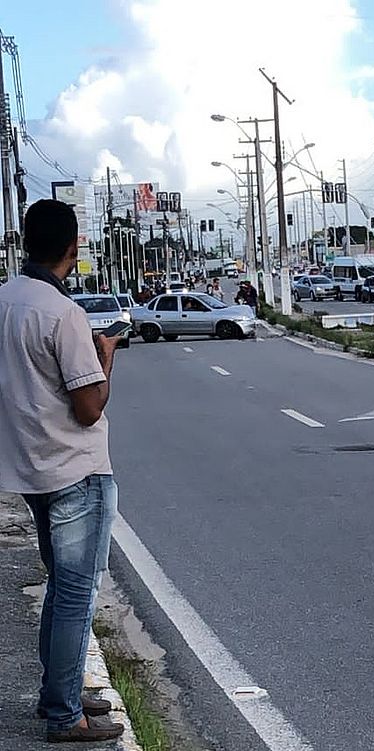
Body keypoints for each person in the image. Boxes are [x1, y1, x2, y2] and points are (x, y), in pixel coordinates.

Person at [0, 200, 124, 744]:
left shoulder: (5, 298)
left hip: (29, 468)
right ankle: (64, 714)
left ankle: (62, 691)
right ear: (72, 249)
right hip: (76, 469)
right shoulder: (62, 313)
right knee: (75, 593)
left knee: (60, 588)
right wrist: (106, 356)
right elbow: (89, 406)